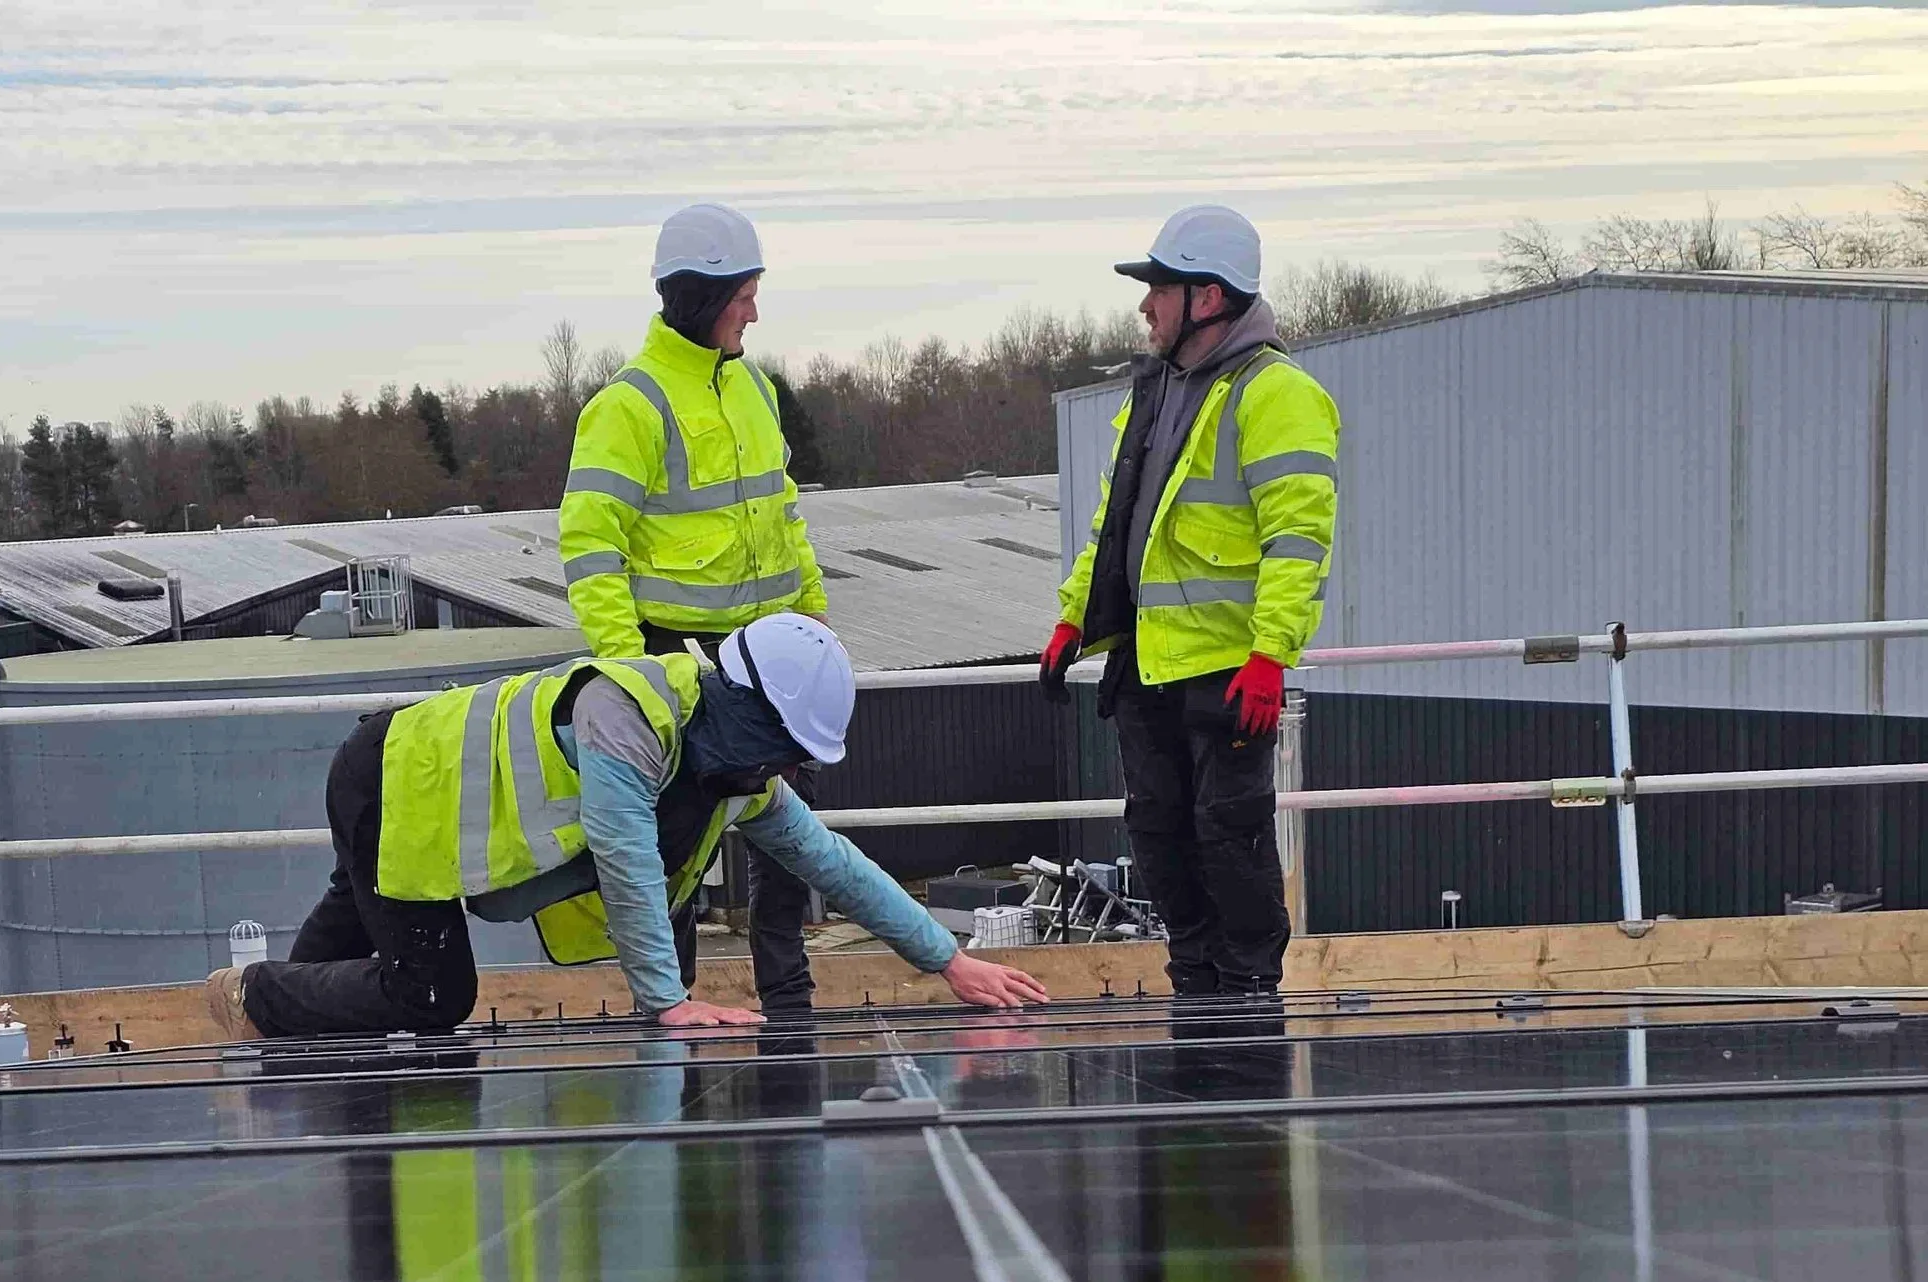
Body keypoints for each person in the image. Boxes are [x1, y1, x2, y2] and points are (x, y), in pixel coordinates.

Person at [208, 613, 1046, 1039]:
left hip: (420, 804)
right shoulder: (629, 716)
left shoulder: (732, 771)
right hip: (395, 784)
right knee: (430, 993)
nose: (789, 772)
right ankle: (251, 991)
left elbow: (833, 861)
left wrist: (949, 957)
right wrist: (667, 1001)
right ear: (750, 714)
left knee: (336, 964)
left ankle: (262, 1007)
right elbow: (623, 849)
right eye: (787, 750)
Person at [1040, 205, 1340, 997]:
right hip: (1150, 663)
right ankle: (1198, 989)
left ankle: (1247, 997)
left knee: (1228, 839)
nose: (1145, 305)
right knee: (1159, 835)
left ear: (1205, 298)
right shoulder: (1158, 391)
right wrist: (1077, 612)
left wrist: (1272, 654)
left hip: (1229, 671)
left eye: (1158, 289)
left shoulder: (1277, 394)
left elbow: (1299, 538)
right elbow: (1117, 524)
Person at [557, 203, 830, 1016]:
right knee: (675, 845)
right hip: (673, 652)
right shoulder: (628, 406)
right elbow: (590, 543)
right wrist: (629, 663)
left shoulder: (753, 386)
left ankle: (786, 992)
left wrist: (813, 618)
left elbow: (784, 512)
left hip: (771, 653)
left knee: (788, 836)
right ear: (704, 298)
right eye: (745, 293)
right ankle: (671, 1004)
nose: (755, 308)